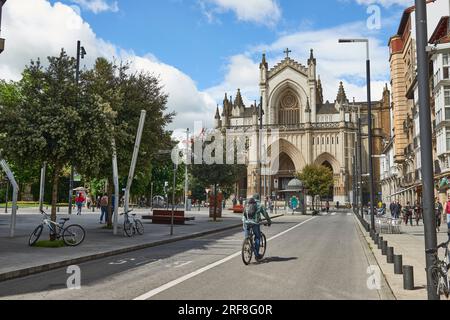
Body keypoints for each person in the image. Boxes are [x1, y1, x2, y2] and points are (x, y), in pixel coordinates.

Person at [242, 194, 272, 260]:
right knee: (257, 237)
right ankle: (257, 254)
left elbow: (244, 213)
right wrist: (269, 221)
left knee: (247, 236)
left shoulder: (247, 203)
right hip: (255, 223)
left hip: (246, 222)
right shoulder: (260, 205)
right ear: (259, 198)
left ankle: (247, 244)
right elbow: (265, 214)